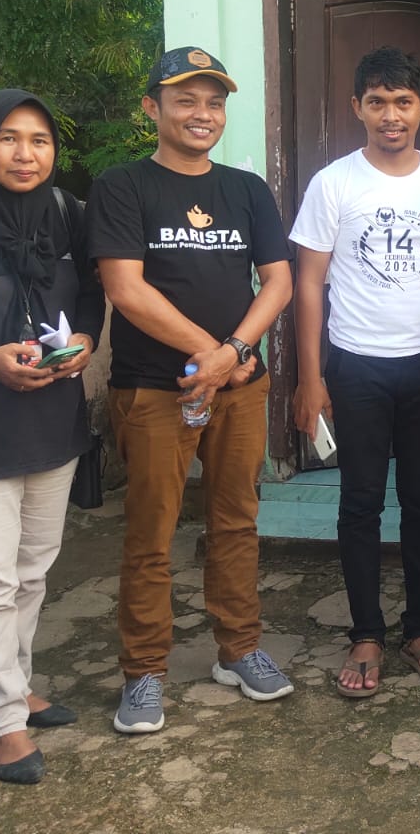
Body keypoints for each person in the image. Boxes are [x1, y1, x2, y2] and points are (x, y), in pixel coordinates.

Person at [88, 47, 295, 735]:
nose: (201, 114)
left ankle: (239, 649)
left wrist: (234, 352)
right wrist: (208, 354)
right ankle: (144, 672)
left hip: (239, 386)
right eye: (185, 99)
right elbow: (125, 288)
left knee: (236, 521)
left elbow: (280, 281)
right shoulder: (123, 186)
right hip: (155, 391)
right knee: (151, 533)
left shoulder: (245, 188)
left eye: (213, 102)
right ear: (153, 107)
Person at [290, 47, 420, 695]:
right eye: (376, 103)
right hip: (355, 368)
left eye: (402, 103)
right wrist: (310, 378)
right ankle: (366, 632)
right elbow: (307, 284)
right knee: (361, 502)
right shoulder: (332, 183)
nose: (390, 116)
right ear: (357, 109)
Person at [0, 90, 104, 785]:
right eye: (8, 138)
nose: (25, 153)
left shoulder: (67, 213)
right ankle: (0, 723)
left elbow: (91, 291)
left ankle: (16, 685)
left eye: (38, 140)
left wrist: (87, 338)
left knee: (32, 570)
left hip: (51, 418)